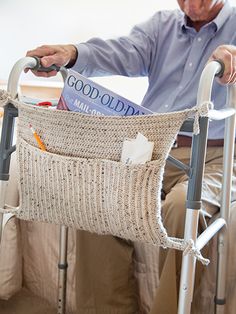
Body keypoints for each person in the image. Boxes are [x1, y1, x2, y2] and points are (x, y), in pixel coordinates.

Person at [26, 0, 236, 313]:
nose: (191, 4)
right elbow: (121, 51)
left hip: (213, 155)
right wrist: (71, 53)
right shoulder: (162, 26)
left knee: (181, 208)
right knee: (95, 198)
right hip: (151, 148)